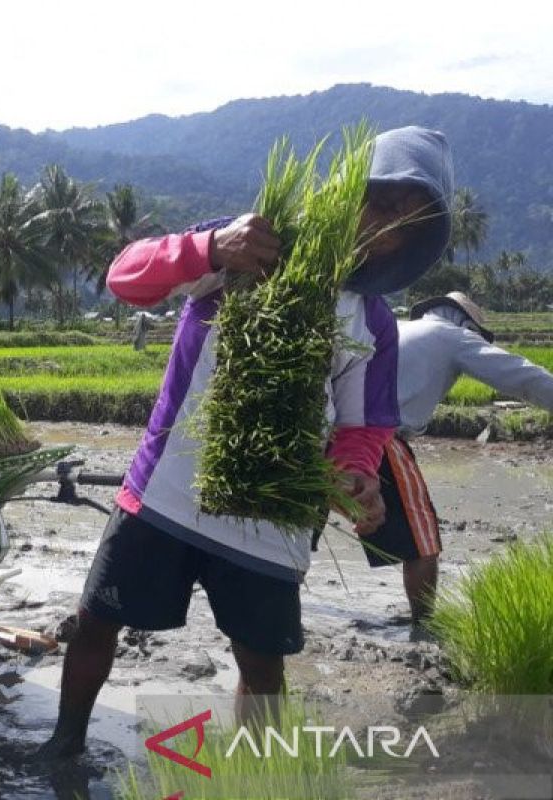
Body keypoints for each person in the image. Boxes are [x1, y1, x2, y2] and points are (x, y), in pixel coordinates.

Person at [36, 126, 454, 759]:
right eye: (383, 199)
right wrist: (207, 248)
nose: (385, 223)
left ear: (414, 239)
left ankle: (252, 775)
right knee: (97, 621)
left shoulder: (369, 318)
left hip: (271, 517)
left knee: (262, 668)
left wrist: (356, 474)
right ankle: (63, 745)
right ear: (348, 191)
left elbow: (362, 425)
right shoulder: (245, 244)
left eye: (407, 218)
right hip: (164, 493)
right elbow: (125, 277)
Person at [352, 290, 553, 623]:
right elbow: (522, 375)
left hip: (327, 427)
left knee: (297, 526)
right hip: (377, 436)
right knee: (422, 537)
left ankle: (281, 617)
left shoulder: (401, 328)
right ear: (465, 323)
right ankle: (425, 623)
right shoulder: (452, 336)